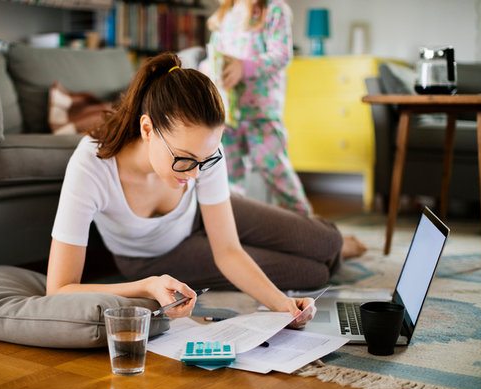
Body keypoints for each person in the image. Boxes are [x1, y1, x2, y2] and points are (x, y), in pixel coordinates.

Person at [46, 52, 344, 327]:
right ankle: (339, 255)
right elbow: (59, 289)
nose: (195, 173)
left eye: (206, 159)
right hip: (155, 255)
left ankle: (346, 247)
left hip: (199, 215)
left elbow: (227, 249)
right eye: (184, 160)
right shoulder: (92, 165)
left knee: (329, 241)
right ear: (148, 129)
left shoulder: (201, 154)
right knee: (313, 274)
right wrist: (149, 285)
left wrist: (283, 306)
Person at [204, 0, 367, 258]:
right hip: (228, 114)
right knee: (229, 181)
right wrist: (209, 70)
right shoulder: (226, 15)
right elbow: (215, 56)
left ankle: (317, 236)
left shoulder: (274, 10)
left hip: (261, 113)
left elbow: (281, 56)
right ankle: (237, 242)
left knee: (277, 174)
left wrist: (243, 66)